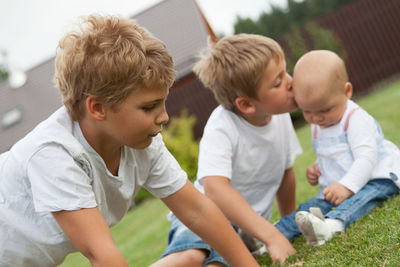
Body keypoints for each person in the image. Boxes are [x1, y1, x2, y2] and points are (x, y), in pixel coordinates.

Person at [0, 15, 260, 267]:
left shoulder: (143, 145)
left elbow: (198, 211)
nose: (164, 117)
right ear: (98, 108)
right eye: (149, 107)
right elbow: (100, 253)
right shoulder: (54, 154)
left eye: (163, 102)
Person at [153, 34, 302, 267]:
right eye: (278, 82)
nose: (291, 82)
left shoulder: (279, 118)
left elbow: (286, 174)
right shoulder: (223, 127)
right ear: (247, 105)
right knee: (191, 257)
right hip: (204, 220)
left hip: (242, 232)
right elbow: (215, 189)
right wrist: (271, 236)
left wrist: (288, 224)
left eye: (286, 72)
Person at [274, 50, 400, 247]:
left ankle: (332, 225)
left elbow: (366, 158)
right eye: (307, 111)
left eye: (325, 110)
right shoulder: (320, 124)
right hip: (339, 186)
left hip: (378, 178)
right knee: (310, 207)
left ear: (347, 91)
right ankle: (273, 234)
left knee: (361, 199)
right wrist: (318, 167)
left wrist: (347, 186)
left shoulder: (355, 118)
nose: (316, 118)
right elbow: (335, 154)